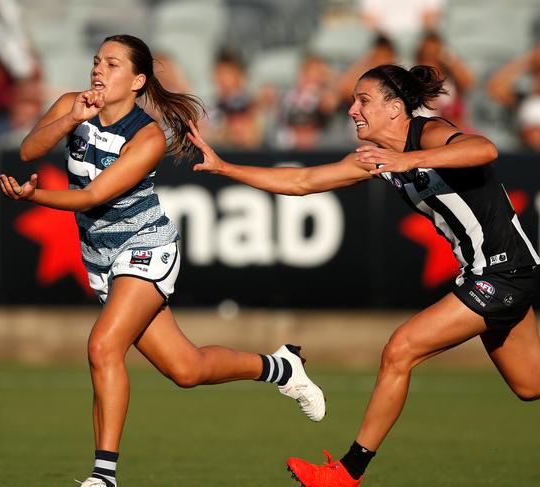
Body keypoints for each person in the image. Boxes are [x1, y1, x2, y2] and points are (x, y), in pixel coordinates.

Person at [187, 63, 540, 486]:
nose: (352, 108)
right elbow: (303, 180)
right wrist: (227, 168)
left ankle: (347, 473)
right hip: (489, 273)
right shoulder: (378, 158)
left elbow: (484, 149)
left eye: (363, 100)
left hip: (505, 271)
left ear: (396, 108)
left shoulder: (426, 133)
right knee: (529, 384)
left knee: (400, 349)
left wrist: (408, 159)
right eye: (354, 100)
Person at [0, 34, 325, 487]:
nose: (98, 70)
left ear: (137, 81)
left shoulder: (147, 135)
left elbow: (93, 195)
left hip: (145, 243)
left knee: (102, 347)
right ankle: (280, 367)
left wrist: (35, 196)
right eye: (97, 61)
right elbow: (29, 151)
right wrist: (68, 119)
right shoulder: (73, 105)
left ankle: (104, 476)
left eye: (112, 64)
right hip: (101, 256)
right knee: (185, 370)